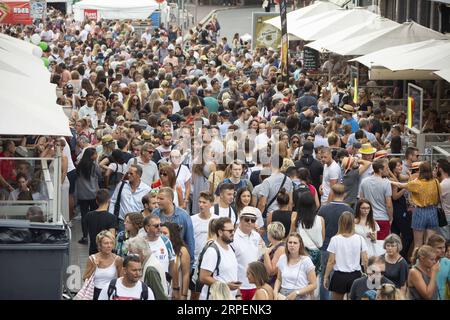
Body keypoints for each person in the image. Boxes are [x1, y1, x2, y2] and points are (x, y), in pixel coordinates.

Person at [390, 161, 440, 248]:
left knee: (417, 244)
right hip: (433, 211)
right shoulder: (435, 181)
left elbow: (400, 185)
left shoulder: (417, 183)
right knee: (429, 243)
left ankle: (417, 261)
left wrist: (389, 181)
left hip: (420, 211)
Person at [318, 183, 354, 300]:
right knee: (340, 275)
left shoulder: (323, 209)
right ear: (345, 194)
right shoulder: (349, 210)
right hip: (343, 247)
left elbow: (319, 228)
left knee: (324, 276)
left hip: (326, 246)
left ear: (332, 193)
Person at [324, 212, 369, 300]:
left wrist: (326, 276)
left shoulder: (335, 239)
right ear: (353, 223)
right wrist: (367, 273)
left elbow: (331, 261)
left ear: (340, 223)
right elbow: (365, 259)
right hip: (355, 276)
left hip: (339, 276)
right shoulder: (360, 239)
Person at [152, 187, 195, 269]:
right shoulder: (155, 214)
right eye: (157, 198)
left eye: (161, 198)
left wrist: (189, 266)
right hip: (159, 256)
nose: (158, 201)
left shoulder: (184, 216)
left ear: (170, 200)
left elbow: (190, 241)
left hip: (179, 256)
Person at [199, 217, 240, 300]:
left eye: (233, 230)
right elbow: (203, 277)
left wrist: (238, 295)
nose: (233, 233)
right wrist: (226, 286)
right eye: (230, 231)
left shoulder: (231, 248)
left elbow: (232, 275)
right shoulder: (212, 251)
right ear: (220, 232)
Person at [190, 192, 218, 300]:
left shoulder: (217, 220)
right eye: (200, 202)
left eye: (204, 202)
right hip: (196, 264)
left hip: (212, 264)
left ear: (211, 204)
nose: (201, 205)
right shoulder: (192, 220)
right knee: (195, 294)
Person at [232, 207, 264, 300]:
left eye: (253, 220)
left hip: (254, 286)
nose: (250, 222)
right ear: (241, 220)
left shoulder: (257, 236)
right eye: (247, 219)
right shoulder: (233, 238)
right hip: (238, 286)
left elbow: (261, 256)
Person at [274, 233, 317, 300]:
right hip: (283, 295)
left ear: (300, 245)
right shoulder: (282, 258)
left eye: (295, 243)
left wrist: (296, 292)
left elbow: (313, 285)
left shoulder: (306, 260)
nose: (292, 245)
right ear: (287, 244)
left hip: (300, 294)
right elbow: (279, 279)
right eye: (290, 242)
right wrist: (275, 291)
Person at [109, 164, 151, 233]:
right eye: (128, 173)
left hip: (138, 224)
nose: (128, 175)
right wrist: (111, 217)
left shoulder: (147, 190)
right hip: (122, 222)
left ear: (138, 175)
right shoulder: (122, 185)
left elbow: (148, 207)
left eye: (131, 174)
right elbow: (113, 201)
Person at [82, 231, 123, 300]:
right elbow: (85, 278)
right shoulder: (92, 259)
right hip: (95, 293)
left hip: (111, 293)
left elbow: (121, 279)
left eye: (111, 243)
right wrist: (94, 267)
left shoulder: (118, 260)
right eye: (106, 243)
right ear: (100, 245)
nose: (109, 246)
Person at [142, 214, 176, 295]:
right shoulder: (140, 243)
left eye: (160, 225)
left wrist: (175, 286)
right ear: (147, 228)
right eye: (156, 226)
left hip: (163, 284)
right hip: (146, 284)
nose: (159, 228)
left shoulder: (166, 241)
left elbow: (172, 264)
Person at [126, 235, 168, 300]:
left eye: (131, 252)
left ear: (141, 252)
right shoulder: (147, 262)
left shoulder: (150, 269)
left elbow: (160, 297)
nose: (129, 255)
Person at [360, 158, 393, 240]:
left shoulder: (364, 181)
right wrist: (391, 217)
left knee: (369, 243)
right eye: (386, 168)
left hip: (368, 218)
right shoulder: (386, 183)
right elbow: (389, 204)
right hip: (382, 218)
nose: (388, 170)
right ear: (380, 170)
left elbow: (361, 200)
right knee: (382, 245)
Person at [294, 192, 324, 275]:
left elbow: (292, 236)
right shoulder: (320, 220)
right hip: (317, 254)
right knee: (315, 279)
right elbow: (322, 238)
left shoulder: (297, 220)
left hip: (301, 253)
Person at [388, 157, 413, 259]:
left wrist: (410, 175)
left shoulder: (397, 176)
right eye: (398, 165)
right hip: (397, 208)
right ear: (393, 167)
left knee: (396, 234)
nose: (400, 167)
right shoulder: (392, 179)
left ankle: (395, 256)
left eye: (400, 165)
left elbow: (407, 179)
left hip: (399, 208)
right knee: (407, 234)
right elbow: (395, 196)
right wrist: (405, 187)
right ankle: (402, 256)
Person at [76, 147, 101, 244]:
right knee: (94, 215)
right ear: (91, 156)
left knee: (84, 215)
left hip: (82, 194)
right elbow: (100, 175)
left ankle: (85, 236)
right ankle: (94, 236)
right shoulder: (94, 166)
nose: (97, 155)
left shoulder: (79, 165)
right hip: (94, 194)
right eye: (95, 154)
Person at [160, 222, 191, 300]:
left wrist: (184, 295)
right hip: (161, 289)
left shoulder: (182, 251)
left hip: (176, 290)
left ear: (172, 235)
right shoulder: (158, 249)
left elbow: (186, 274)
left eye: (165, 233)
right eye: (160, 233)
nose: (162, 236)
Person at [257, 154, 293, 218]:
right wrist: (289, 214)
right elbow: (290, 202)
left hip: (271, 215)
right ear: (281, 164)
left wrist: (257, 218)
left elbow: (262, 204)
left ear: (270, 163)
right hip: (286, 214)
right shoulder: (288, 180)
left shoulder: (267, 181)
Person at [85, 189, 118, 255]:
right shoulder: (111, 217)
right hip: (106, 252)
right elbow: (112, 237)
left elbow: (88, 233)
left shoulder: (88, 215)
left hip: (93, 250)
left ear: (96, 201)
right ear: (109, 200)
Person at [260, 222, 286, 287]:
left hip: (271, 285)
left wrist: (265, 253)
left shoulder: (281, 248)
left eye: (268, 231)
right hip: (264, 282)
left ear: (271, 234)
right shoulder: (272, 245)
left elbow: (271, 271)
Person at [426, 234, 450, 300]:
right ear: (430, 248)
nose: (443, 250)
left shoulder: (448, 262)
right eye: (439, 248)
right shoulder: (422, 263)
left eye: (444, 247)